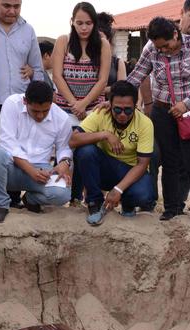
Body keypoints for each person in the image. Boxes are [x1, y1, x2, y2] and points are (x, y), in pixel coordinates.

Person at [127, 17, 190, 228]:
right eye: (159, 47)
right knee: (170, 163)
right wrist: (118, 95)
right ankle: (171, 208)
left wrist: (187, 103)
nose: (163, 50)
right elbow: (137, 75)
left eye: (166, 45)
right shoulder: (152, 49)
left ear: (175, 34)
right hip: (162, 112)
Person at [0, 0, 45, 207]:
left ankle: (12, 198)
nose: (12, 11)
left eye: (17, 6)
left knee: (18, 151)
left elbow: (38, 69)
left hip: (20, 105)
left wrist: (32, 73)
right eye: (6, 5)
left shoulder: (28, 30)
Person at [0, 81, 72, 223]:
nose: (40, 116)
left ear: (52, 102)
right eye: (35, 111)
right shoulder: (12, 103)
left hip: (42, 170)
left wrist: (64, 163)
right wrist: (31, 170)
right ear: (25, 101)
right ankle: (1, 204)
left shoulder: (62, 118)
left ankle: (30, 199)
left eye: (45, 111)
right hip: (9, 167)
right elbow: (7, 143)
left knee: (63, 194)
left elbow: (64, 148)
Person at [70, 81, 155, 226]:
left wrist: (118, 189)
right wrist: (104, 134)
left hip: (130, 170)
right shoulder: (101, 113)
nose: (122, 114)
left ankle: (127, 203)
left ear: (135, 106)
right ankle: (94, 202)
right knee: (85, 151)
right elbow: (73, 140)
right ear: (109, 104)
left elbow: (142, 164)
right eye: (117, 109)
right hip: (105, 168)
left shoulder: (145, 123)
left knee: (144, 195)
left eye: (128, 110)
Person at [53, 2, 111, 204]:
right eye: (79, 23)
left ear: (94, 24)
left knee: (85, 152)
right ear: (72, 22)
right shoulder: (63, 42)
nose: (84, 28)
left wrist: (84, 103)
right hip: (64, 107)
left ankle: (78, 197)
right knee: (64, 150)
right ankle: (58, 194)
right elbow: (57, 76)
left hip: (93, 108)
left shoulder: (103, 45)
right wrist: (73, 103)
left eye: (88, 23)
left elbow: (103, 80)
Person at [98, 12, 127, 99]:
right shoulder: (84, 61)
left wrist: (99, 90)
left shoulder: (117, 63)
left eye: (100, 37)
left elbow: (122, 88)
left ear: (108, 39)